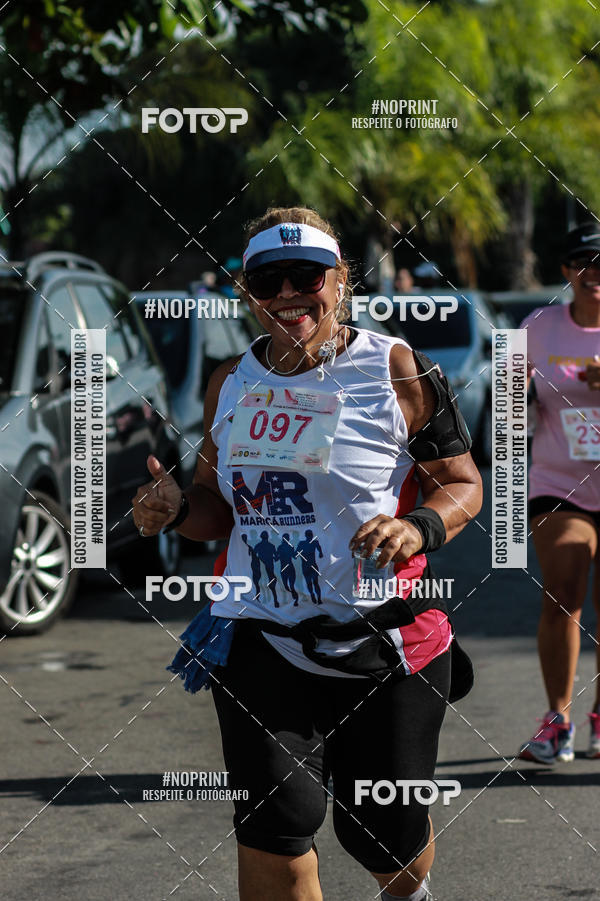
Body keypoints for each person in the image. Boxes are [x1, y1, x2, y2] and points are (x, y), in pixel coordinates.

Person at [132, 207, 482, 901]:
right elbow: (213, 508)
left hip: (388, 637)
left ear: (341, 279)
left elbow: (464, 484)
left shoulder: (398, 369)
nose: (290, 293)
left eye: (307, 275)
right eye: (268, 279)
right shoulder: (229, 381)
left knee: (382, 833)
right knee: (276, 822)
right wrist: (173, 510)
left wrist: (418, 526)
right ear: (247, 293)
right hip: (260, 635)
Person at [518, 221, 600, 765]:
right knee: (564, 589)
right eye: (585, 265)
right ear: (568, 271)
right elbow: (506, 405)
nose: (596, 275)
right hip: (558, 482)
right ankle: (557, 720)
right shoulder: (539, 327)